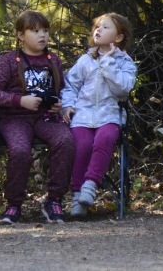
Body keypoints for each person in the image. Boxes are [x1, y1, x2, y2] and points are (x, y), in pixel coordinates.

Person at [0, 10, 75, 224]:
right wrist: (19, 100)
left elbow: (62, 89)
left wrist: (59, 105)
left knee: (66, 141)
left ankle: (54, 200)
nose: (42, 35)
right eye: (35, 31)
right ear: (20, 35)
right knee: (20, 150)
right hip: (15, 118)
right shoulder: (7, 60)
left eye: (45, 30)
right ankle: (14, 204)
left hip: (46, 117)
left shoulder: (54, 60)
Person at [61, 12, 136, 218]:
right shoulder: (85, 60)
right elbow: (70, 85)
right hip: (83, 116)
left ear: (118, 38)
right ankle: (78, 197)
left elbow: (123, 89)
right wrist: (67, 105)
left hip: (110, 115)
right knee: (82, 146)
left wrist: (109, 62)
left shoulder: (125, 63)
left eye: (105, 27)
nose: (98, 30)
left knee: (104, 140)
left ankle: (90, 186)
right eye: (97, 26)